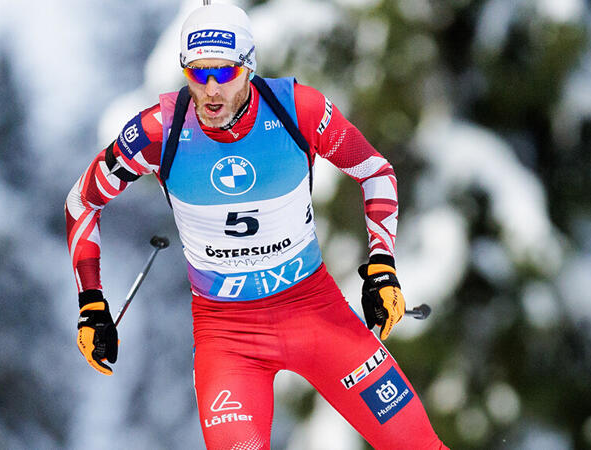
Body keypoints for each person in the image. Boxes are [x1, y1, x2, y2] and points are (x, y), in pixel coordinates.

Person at [65, 3, 448, 448]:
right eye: (197, 73)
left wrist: (382, 265)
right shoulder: (158, 132)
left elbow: (375, 171)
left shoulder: (299, 110)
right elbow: (82, 202)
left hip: (315, 311)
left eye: (224, 73)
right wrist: (91, 303)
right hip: (228, 336)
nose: (210, 90)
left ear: (248, 68)